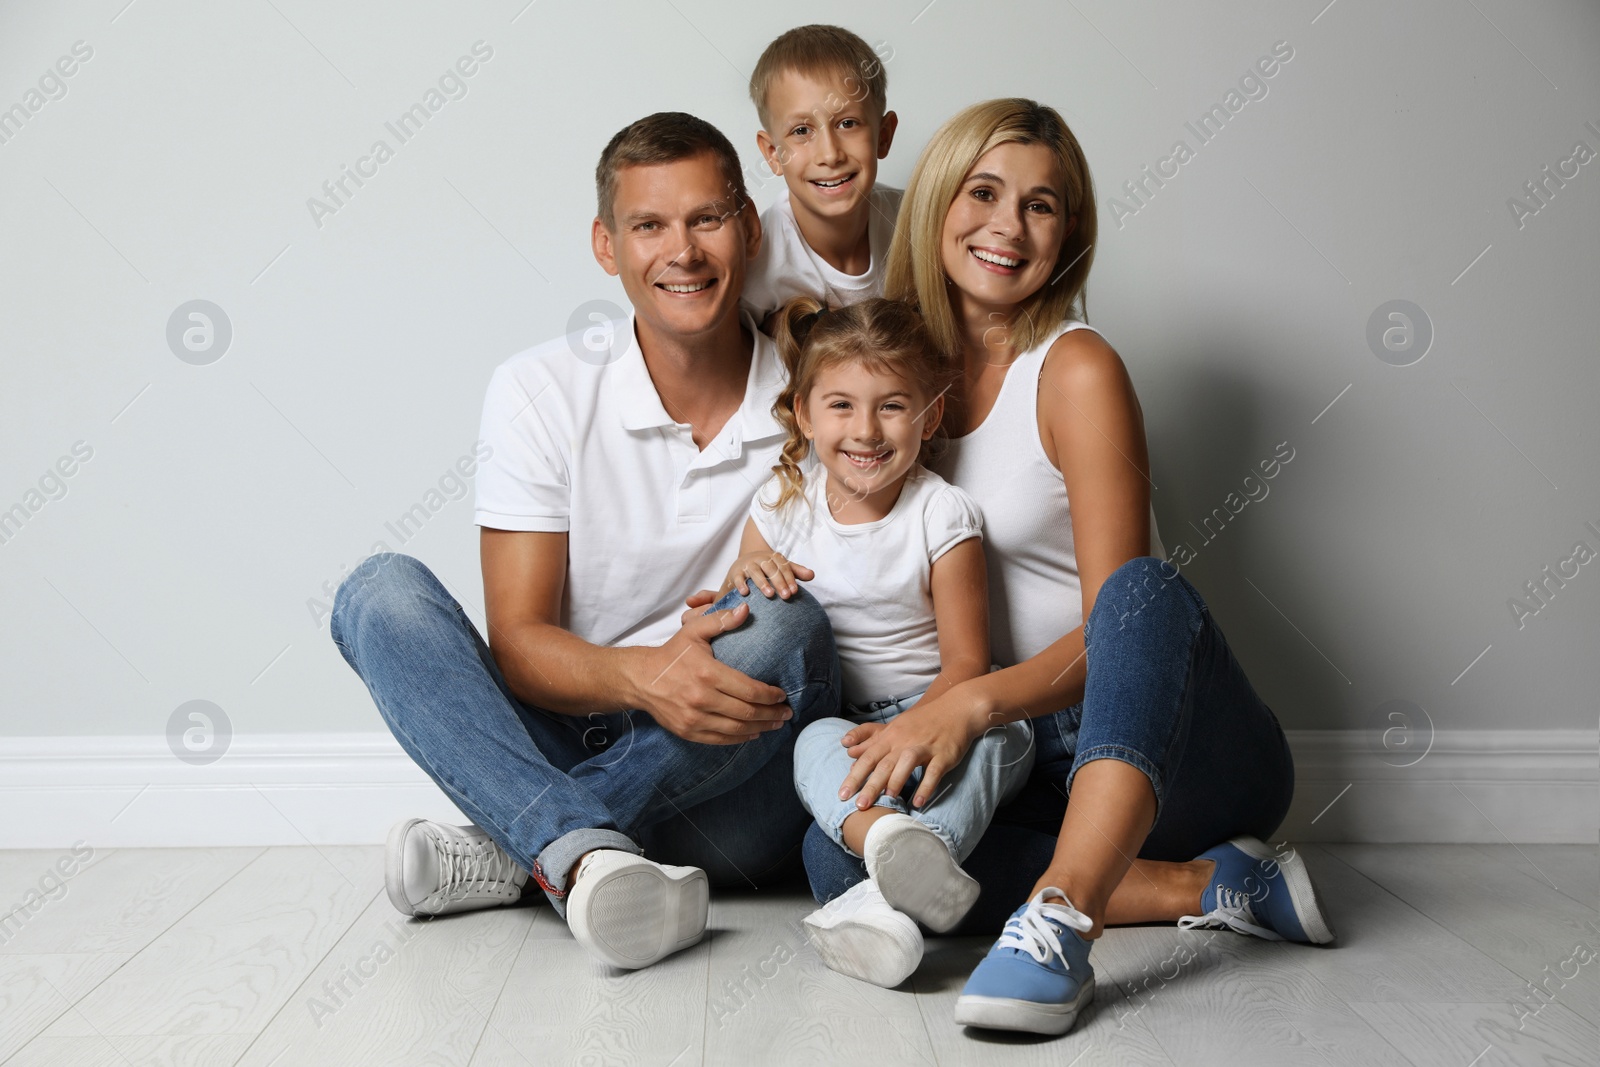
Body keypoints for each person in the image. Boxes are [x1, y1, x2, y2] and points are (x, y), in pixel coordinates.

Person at [799, 98, 1334, 1036]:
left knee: (1141, 591)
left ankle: (1062, 917)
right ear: (935, 205)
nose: (1007, 226)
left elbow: (1125, 629)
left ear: (1068, 235)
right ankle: (1213, 881)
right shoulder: (889, 381)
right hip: (1024, 756)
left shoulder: (1076, 368)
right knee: (837, 853)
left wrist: (968, 702)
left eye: (1042, 206)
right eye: (985, 192)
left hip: (1169, 740)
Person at [330, 112, 841, 972]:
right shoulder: (539, 388)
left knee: (790, 625)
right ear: (607, 247)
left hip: (733, 787)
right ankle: (584, 849)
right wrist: (646, 675)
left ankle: (527, 847)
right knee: (378, 592)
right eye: (649, 225)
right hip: (562, 733)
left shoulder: (826, 394)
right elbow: (521, 642)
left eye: (707, 219)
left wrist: (692, 678)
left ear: (750, 229)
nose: (682, 250)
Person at [718, 295, 1034, 988]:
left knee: (1007, 738)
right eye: (841, 406)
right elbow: (744, 602)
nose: (866, 430)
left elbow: (968, 666)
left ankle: (905, 873)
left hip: (942, 710)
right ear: (803, 413)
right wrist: (744, 573)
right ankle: (893, 844)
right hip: (851, 732)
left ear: (930, 414)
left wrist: (926, 728)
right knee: (810, 744)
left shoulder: (942, 514)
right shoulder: (782, 505)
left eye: (892, 405)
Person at [741, 24, 902, 322]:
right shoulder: (756, 269)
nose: (830, 154)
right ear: (773, 154)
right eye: (801, 130)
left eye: (848, 123)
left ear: (883, 136)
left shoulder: (915, 222)